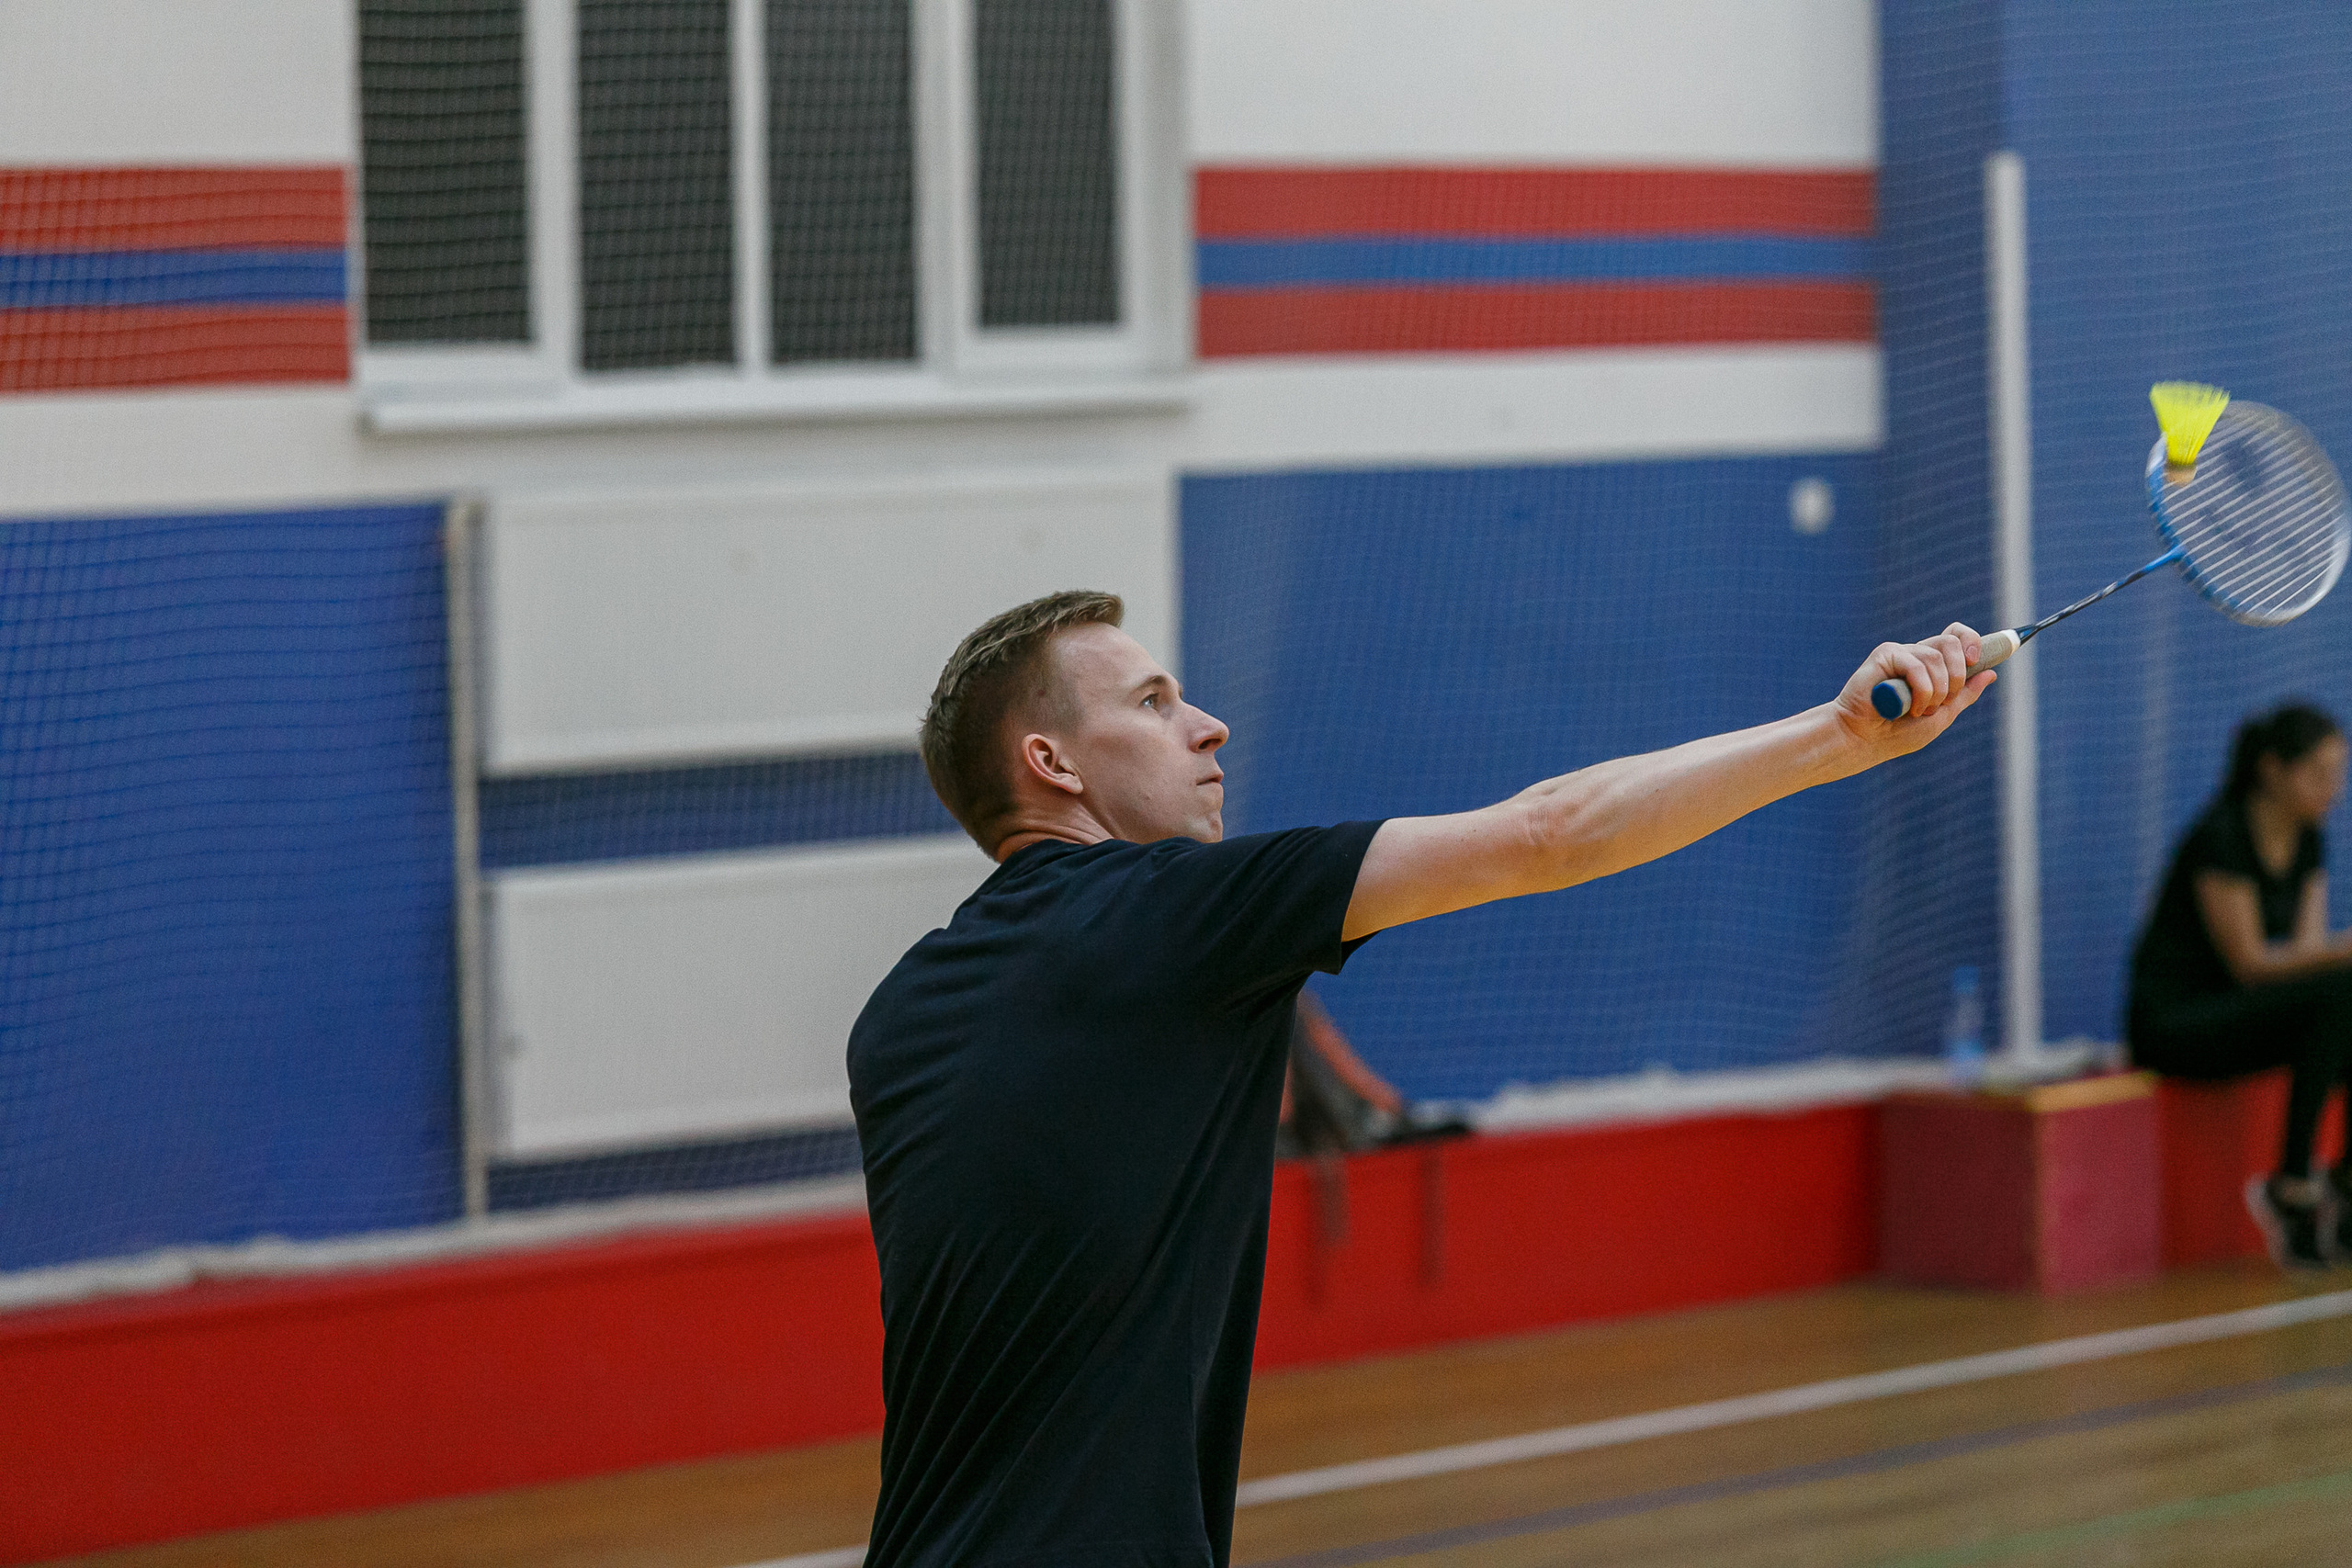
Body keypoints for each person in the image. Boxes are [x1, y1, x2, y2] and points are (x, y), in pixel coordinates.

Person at [848, 590, 1989, 1568]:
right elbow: (1550, 832)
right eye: (1151, 704)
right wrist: (1843, 738)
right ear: (1048, 764)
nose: (1208, 725)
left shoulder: (896, 1013)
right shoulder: (1172, 916)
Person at [2128, 703, 2352, 1269]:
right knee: (2339, 991)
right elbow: (2251, 964)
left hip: (2241, 1016)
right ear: (2274, 769)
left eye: (2339, 775)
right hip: (2175, 1023)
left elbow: (2307, 956)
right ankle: (2292, 1188)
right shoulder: (2221, 835)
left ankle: (2346, 1186)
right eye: (2319, 773)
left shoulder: (2309, 838)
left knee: (2344, 998)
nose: (2334, 789)